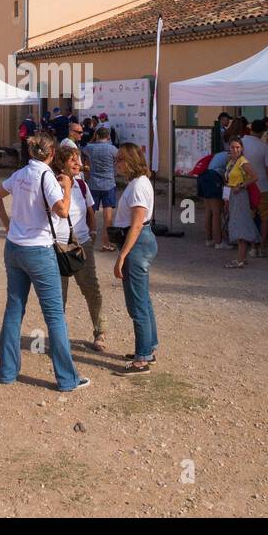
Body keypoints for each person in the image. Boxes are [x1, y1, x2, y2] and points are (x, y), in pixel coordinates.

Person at [0, 132, 90, 392]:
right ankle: (67, 379)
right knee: (54, 315)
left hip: (14, 248)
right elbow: (63, 210)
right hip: (39, 250)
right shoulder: (47, 176)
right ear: (52, 154)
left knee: (14, 310)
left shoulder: (21, 173)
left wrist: (8, 225)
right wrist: (67, 187)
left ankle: (7, 372)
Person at [52, 144, 107, 352]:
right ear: (61, 163)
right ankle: (59, 337)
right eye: (72, 160)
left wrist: (92, 234)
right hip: (58, 246)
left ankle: (100, 331)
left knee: (91, 288)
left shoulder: (82, 186)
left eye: (79, 160)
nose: (78, 164)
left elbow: (91, 212)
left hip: (82, 244)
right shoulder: (53, 185)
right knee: (59, 294)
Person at [111, 143, 159, 375]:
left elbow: (137, 223)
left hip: (137, 244)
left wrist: (122, 255)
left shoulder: (139, 185)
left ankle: (142, 359)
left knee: (137, 303)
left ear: (130, 161)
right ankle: (148, 347)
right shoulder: (137, 183)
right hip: (139, 242)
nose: (116, 163)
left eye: (119, 159)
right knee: (143, 300)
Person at [223, 138, 260, 267]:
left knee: (240, 226)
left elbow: (255, 176)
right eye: (233, 147)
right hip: (232, 196)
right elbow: (228, 181)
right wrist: (226, 198)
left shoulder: (243, 162)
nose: (235, 149)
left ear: (242, 148)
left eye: (238, 147)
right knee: (236, 223)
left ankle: (240, 260)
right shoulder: (231, 162)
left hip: (240, 196)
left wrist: (241, 185)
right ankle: (242, 257)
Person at [83, 127, 119, 251]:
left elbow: (85, 149)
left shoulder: (90, 148)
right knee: (108, 216)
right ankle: (106, 242)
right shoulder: (112, 149)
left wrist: (93, 139)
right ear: (108, 136)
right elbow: (117, 158)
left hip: (94, 185)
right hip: (109, 184)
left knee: (90, 215)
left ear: (97, 135)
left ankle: (88, 240)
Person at [241, 122, 268, 244]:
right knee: (265, 217)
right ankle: (261, 245)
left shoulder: (240, 143)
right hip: (262, 186)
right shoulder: (264, 147)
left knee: (246, 216)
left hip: (244, 185)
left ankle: (245, 242)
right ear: (262, 132)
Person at [198, 146, 229, 248]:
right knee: (217, 212)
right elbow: (228, 177)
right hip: (213, 178)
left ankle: (209, 239)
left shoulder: (220, 154)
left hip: (203, 176)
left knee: (208, 211)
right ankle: (219, 242)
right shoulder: (231, 156)